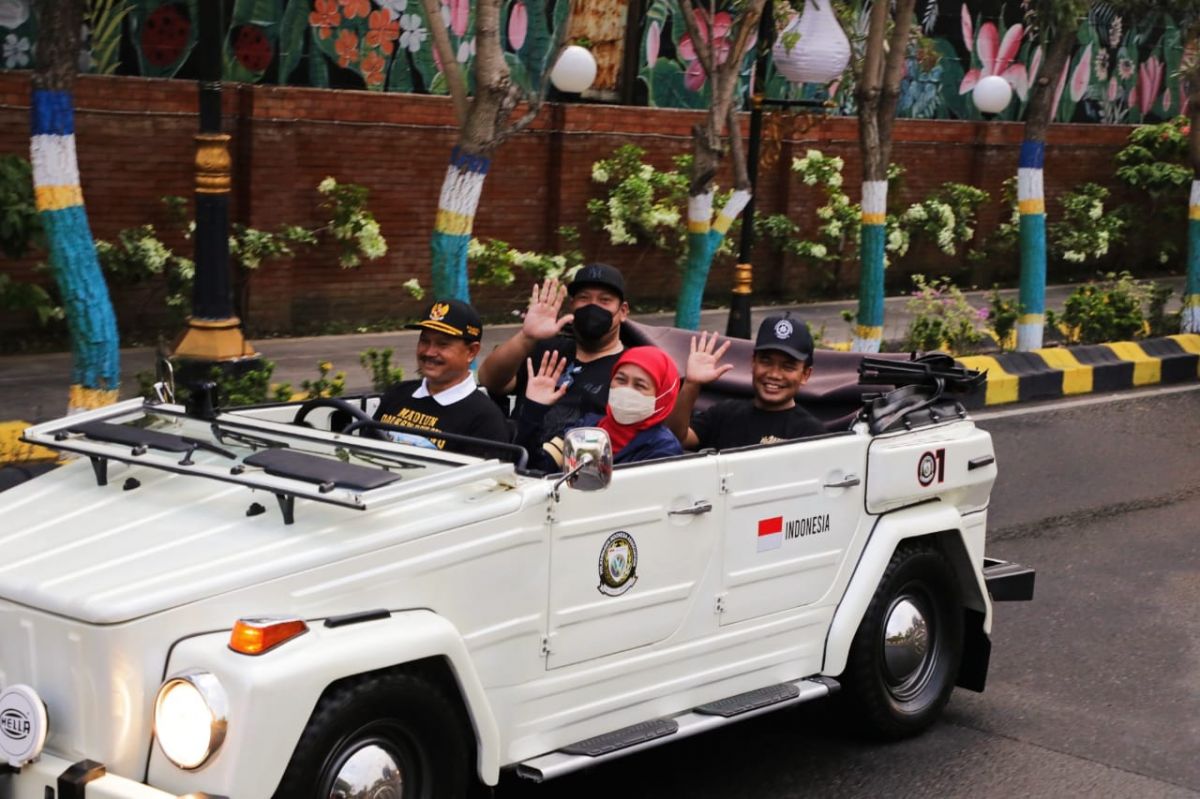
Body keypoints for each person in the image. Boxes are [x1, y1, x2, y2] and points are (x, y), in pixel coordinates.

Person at [477, 264, 629, 446]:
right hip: (518, 457)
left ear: (623, 311)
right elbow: (490, 381)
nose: (592, 306)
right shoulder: (547, 349)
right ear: (572, 305)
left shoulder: (631, 368)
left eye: (604, 300)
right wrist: (526, 337)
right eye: (584, 298)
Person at [667, 315, 826, 450]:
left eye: (788, 367)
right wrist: (691, 384)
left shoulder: (811, 434)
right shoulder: (725, 414)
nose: (774, 374)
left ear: (805, 374)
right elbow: (676, 439)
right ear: (753, 362)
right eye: (766, 361)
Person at [374, 299, 510, 450]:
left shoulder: (486, 420)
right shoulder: (397, 394)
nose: (429, 352)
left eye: (442, 344)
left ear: (471, 352)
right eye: (424, 341)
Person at [517, 345, 683, 470]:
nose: (626, 390)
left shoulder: (663, 448)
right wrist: (534, 409)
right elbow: (536, 466)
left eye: (640, 385)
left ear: (661, 396)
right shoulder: (588, 425)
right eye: (621, 380)